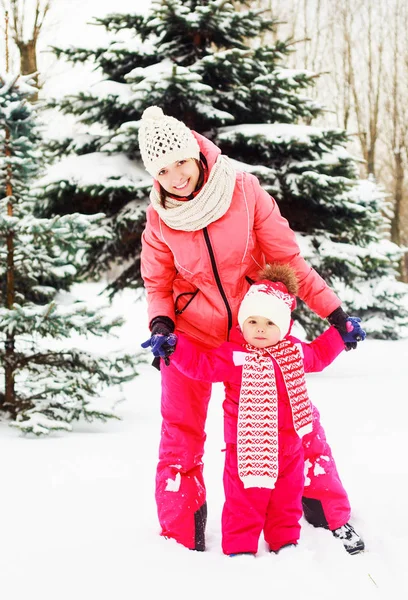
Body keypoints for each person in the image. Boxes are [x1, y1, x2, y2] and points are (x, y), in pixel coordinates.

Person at [138, 105, 366, 554]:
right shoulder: (159, 217)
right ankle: (179, 535)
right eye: (162, 169)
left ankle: (325, 508)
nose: (175, 176)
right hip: (192, 334)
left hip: (258, 327)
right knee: (179, 430)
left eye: (180, 161)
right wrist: (162, 324)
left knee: (298, 422)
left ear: (195, 153)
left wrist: (334, 314)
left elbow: (289, 261)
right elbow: (157, 282)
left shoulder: (243, 190)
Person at [147, 263, 353, 556]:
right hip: (245, 449)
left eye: (270, 324)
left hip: (289, 448)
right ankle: (240, 549)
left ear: (284, 327)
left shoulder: (293, 352)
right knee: (243, 501)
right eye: (253, 321)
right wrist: (174, 347)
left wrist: (341, 335)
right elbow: (201, 366)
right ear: (242, 322)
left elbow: (319, 354)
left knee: (286, 500)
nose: (260, 329)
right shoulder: (234, 356)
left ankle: (285, 544)